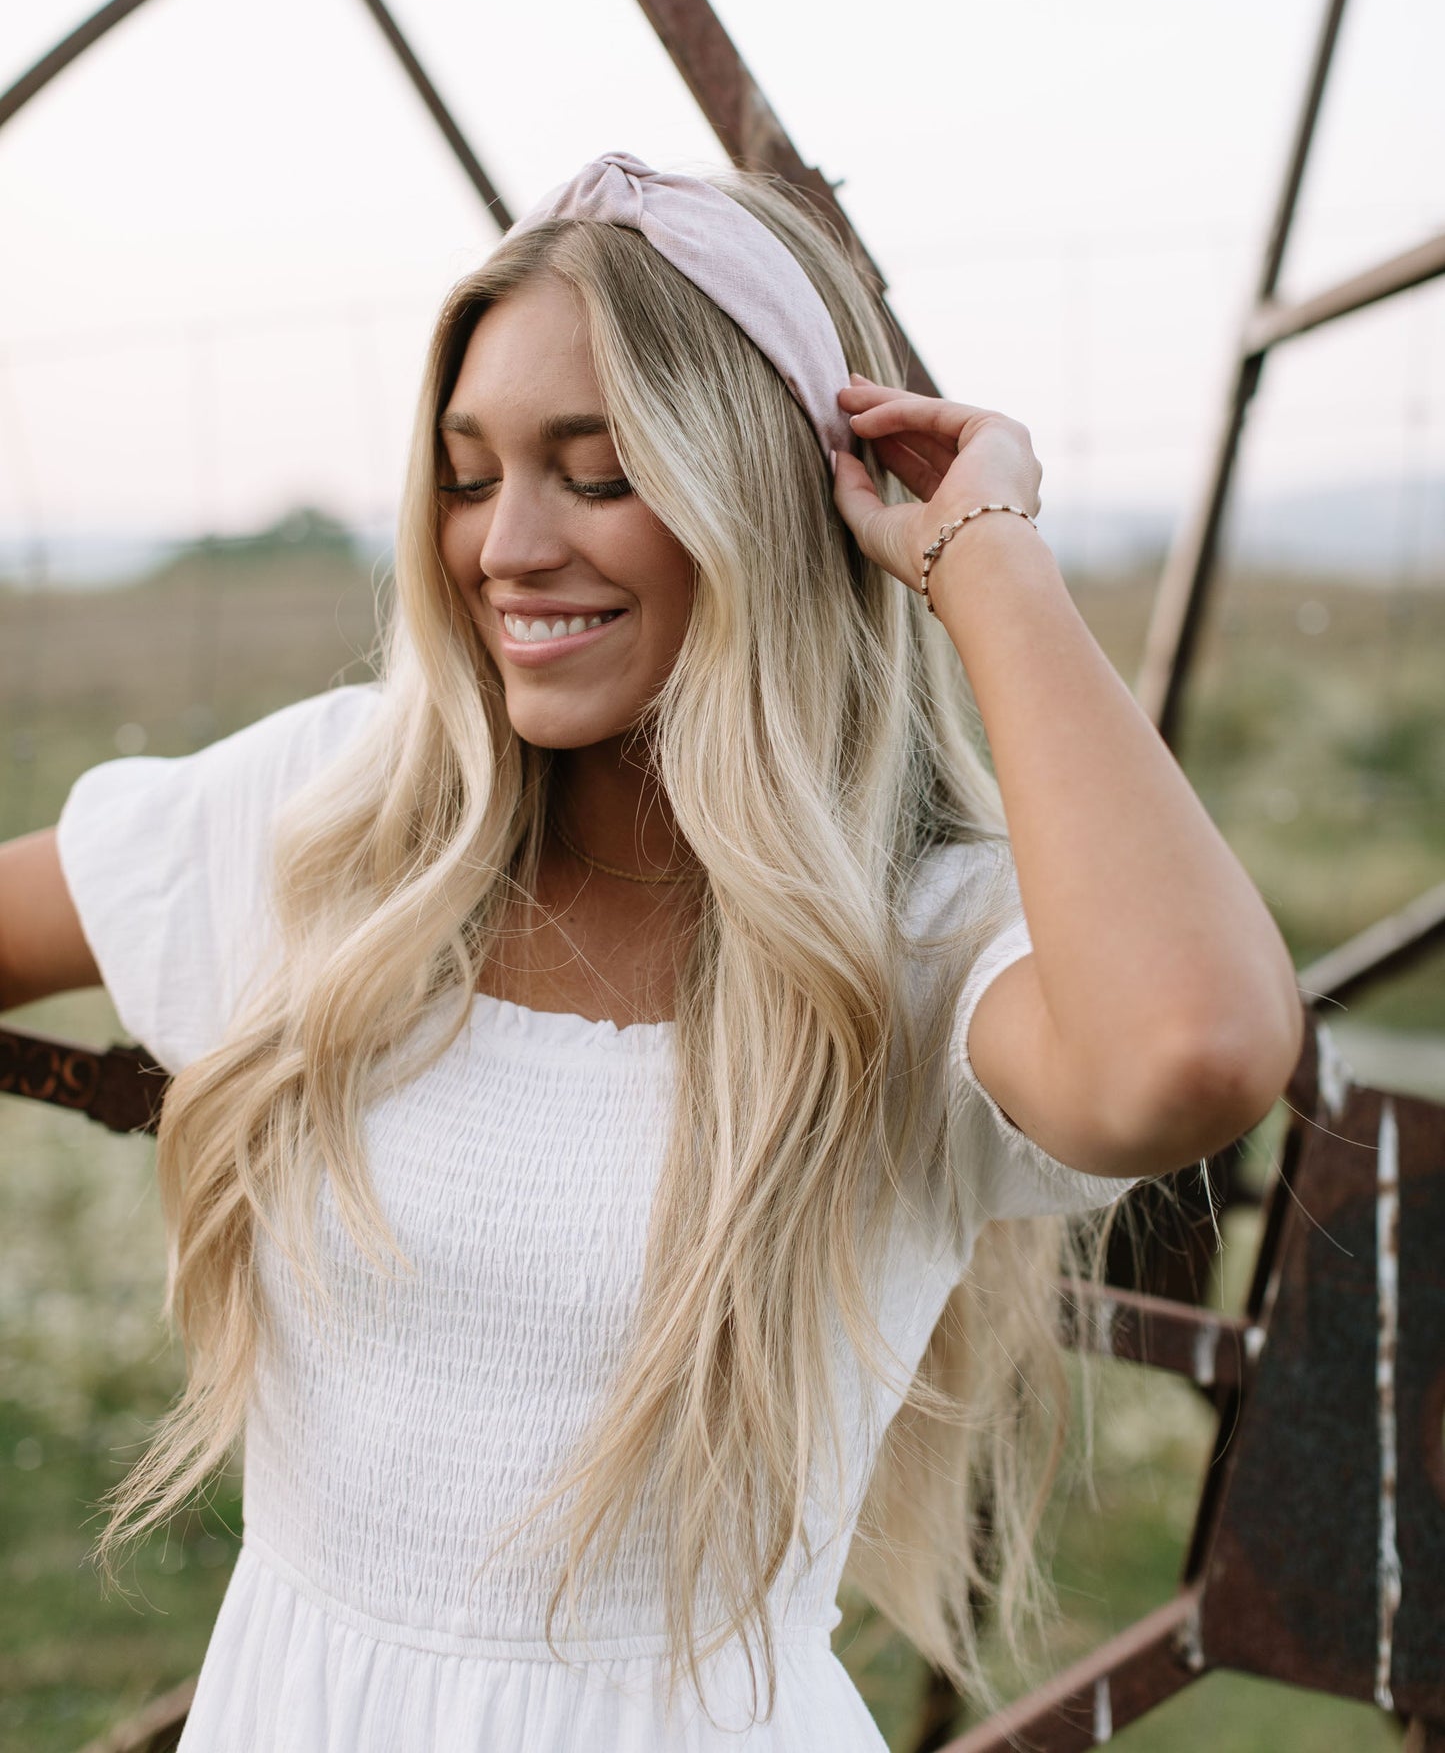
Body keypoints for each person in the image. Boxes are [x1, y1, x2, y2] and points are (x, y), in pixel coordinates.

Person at [0, 152, 1303, 1750]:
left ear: (756, 492)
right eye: (469, 475)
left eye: (599, 472)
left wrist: (988, 559)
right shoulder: (337, 825)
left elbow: (1195, 1050)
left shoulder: (908, 945)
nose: (505, 547)